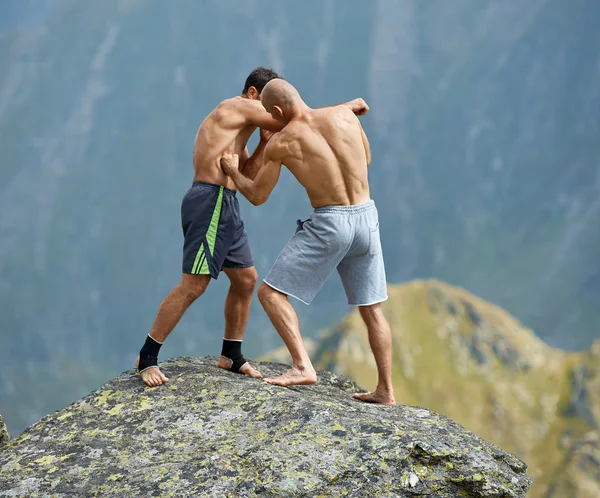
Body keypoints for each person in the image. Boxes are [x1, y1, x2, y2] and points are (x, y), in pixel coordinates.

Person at [136, 68, 369, 387]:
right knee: (194, 284)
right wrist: (343, 110)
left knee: (245, 280)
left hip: (226, 201)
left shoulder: (240, 129)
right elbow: (295, 119)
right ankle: (146, 357)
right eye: (267, 100)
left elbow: (245, 170)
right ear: (252, 94)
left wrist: (262, 144)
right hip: (210, 201)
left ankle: (231, 354)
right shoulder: (234, 106)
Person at [220, 79, 395, 405]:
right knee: (372, 309)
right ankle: (386, 389)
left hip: (332, 221)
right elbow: (366, 159)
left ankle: (302, 365)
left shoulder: (282, 143)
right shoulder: (346, 117)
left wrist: (233, 170)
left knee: (270, 294)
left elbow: (257, 195)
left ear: (275, 111)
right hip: (368, 216)